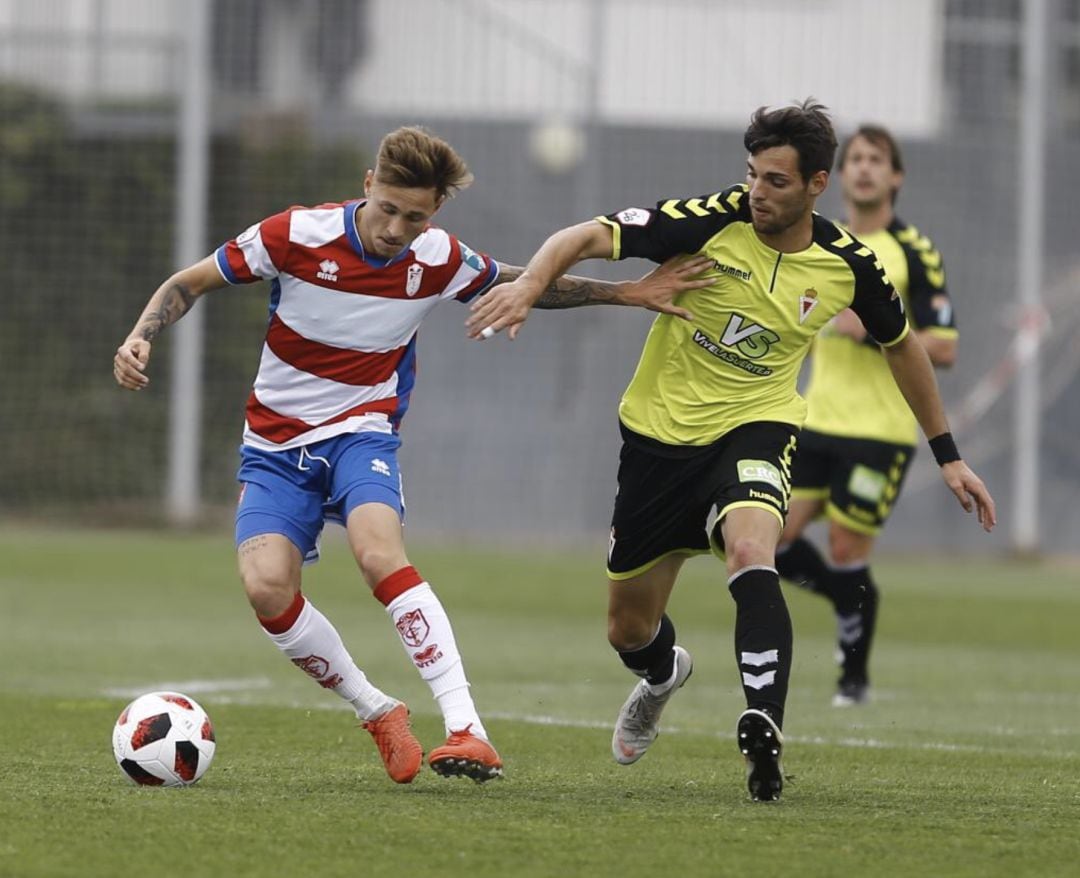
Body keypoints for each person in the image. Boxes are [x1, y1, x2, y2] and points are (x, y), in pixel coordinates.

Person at [113, 126, 706, 785]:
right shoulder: (296, 235)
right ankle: (377, 710)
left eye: (415, 216)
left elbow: (522, 282)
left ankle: (467, 730)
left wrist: (623, 293)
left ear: (435, 213)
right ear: (368, 185)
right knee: (267, 588)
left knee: (378, 553)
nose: (397, 227)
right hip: (274, 448)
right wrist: (141, 335)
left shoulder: (438, 258)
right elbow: (190, 282)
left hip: (360, 435)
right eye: (388, 208)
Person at [465, 100, 996, 802]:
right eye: (753, 175)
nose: (758, 193)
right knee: (628, 628)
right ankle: (663, 675)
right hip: (657, 439)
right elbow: (585, 234)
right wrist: (531, 285)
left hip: (757, 427)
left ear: (816, 183)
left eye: (776, 181)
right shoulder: (709, 219)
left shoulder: (849, 264)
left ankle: (762, 730)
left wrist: (949, 454)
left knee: (752, 552)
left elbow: (905, 348)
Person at [775, 125, 958, 708]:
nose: (864, 168)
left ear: (895, 176)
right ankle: (846, 596)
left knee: (850, 550)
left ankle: (853, 681)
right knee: (767, 539)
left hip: (880, 432)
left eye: (876, 159)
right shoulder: (821, 242)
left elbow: (946, 347)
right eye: (855, 158)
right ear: (836, 175)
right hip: (816, 421)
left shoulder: (915, 251)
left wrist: (879, 330)